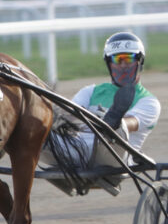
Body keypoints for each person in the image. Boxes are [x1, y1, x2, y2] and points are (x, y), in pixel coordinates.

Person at [40, 32, 161, 169]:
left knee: (119, 128)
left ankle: (112, 120)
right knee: (38, 128)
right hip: (77, 151)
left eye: (128, 59)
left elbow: (130, 123)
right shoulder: (90, 91)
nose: (122, 65)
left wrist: (113, 122)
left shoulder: (149, 101)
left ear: (140, 61)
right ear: (109, 63)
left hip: (115, 157)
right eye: (117, 60)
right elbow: (70, 117)